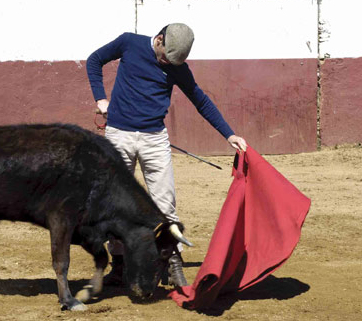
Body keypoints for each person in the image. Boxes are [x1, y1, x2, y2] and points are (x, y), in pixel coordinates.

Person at [86, 23, 247, 287]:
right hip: (118, 135)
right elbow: (95, 60)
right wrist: (100, 98)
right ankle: (120, 264)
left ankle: (172, 263)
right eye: (165, 58)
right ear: (159, 39)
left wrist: (228, 134)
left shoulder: (177, 68)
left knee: (165, 203)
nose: (167, 64)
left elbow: (200, 100)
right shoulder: (129, 43)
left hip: (154, 139)